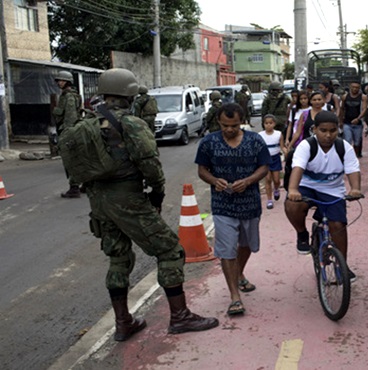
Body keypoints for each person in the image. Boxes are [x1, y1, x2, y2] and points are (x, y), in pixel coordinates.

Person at [82, 68, 218, 341]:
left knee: (118, 257)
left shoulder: (85, 124)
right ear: (129, 95)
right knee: (169, 250)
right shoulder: (131, 124)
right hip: (128, 199)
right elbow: (150, 166)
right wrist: (156, 194)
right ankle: (179, 316)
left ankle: (123, 322)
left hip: (99, 201)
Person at [195, 103, 270, 316]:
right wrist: (213, 180)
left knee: (247, 245)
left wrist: (248, 181)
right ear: (219, 122)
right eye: (225, 125)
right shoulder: (208, 143)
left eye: (234, 125)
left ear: (242, 121)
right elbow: (202, 170)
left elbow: (264, 167)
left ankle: (239, 274)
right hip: (222, 205)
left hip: (250, 203)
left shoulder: (255, 141)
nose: (229, 129)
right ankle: (234, 296)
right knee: (227, 249)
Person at [284, 111, 362, 278]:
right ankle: (302, 234)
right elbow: (297, 169)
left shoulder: (344, 148)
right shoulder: (306, 146)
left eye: (332, 131)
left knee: (338, 227)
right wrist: (293, 190)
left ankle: (343, 266)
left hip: (333, 190)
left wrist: (355, 189)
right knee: (292, 205)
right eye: (323, 130)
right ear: (314, 129)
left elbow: (353, 170)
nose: (328, 135)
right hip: (307, 188)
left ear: (338, 130)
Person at [52, 70, 82, 198]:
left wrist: (67, 134)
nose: (59, 82)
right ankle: (84, 184)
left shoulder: (69, 96)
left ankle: (74, 188)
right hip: (69, 129)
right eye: (58, 80)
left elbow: (70, 117)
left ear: (68, 82)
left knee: (70, 159)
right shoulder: (67, 95)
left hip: (68, 131)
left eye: (62, 80)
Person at [259, 114, 288, 209]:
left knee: (276, 180)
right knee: (267, 179)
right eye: (266, 123)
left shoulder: (278, 134)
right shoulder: (260, 135)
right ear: (263, 124)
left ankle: (276, 189)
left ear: (274, 124)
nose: (268, 125)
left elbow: (282, 146)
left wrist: (286, 152)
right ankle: (269, 200)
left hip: (275, 158)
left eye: (270, 123)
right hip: (265, 159)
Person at [339, 80, 368, 157]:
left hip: (358, 123)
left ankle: (355, 155)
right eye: (353, 87)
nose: (355, 89)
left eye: (357, 87)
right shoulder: (345, 97)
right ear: (350, 87)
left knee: (357, 142)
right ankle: (348, 156)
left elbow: (364, 109)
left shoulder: (363, 97)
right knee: (347, 140)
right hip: (347, 122)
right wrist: (340, 121)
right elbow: (342, 109)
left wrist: (358, 119)